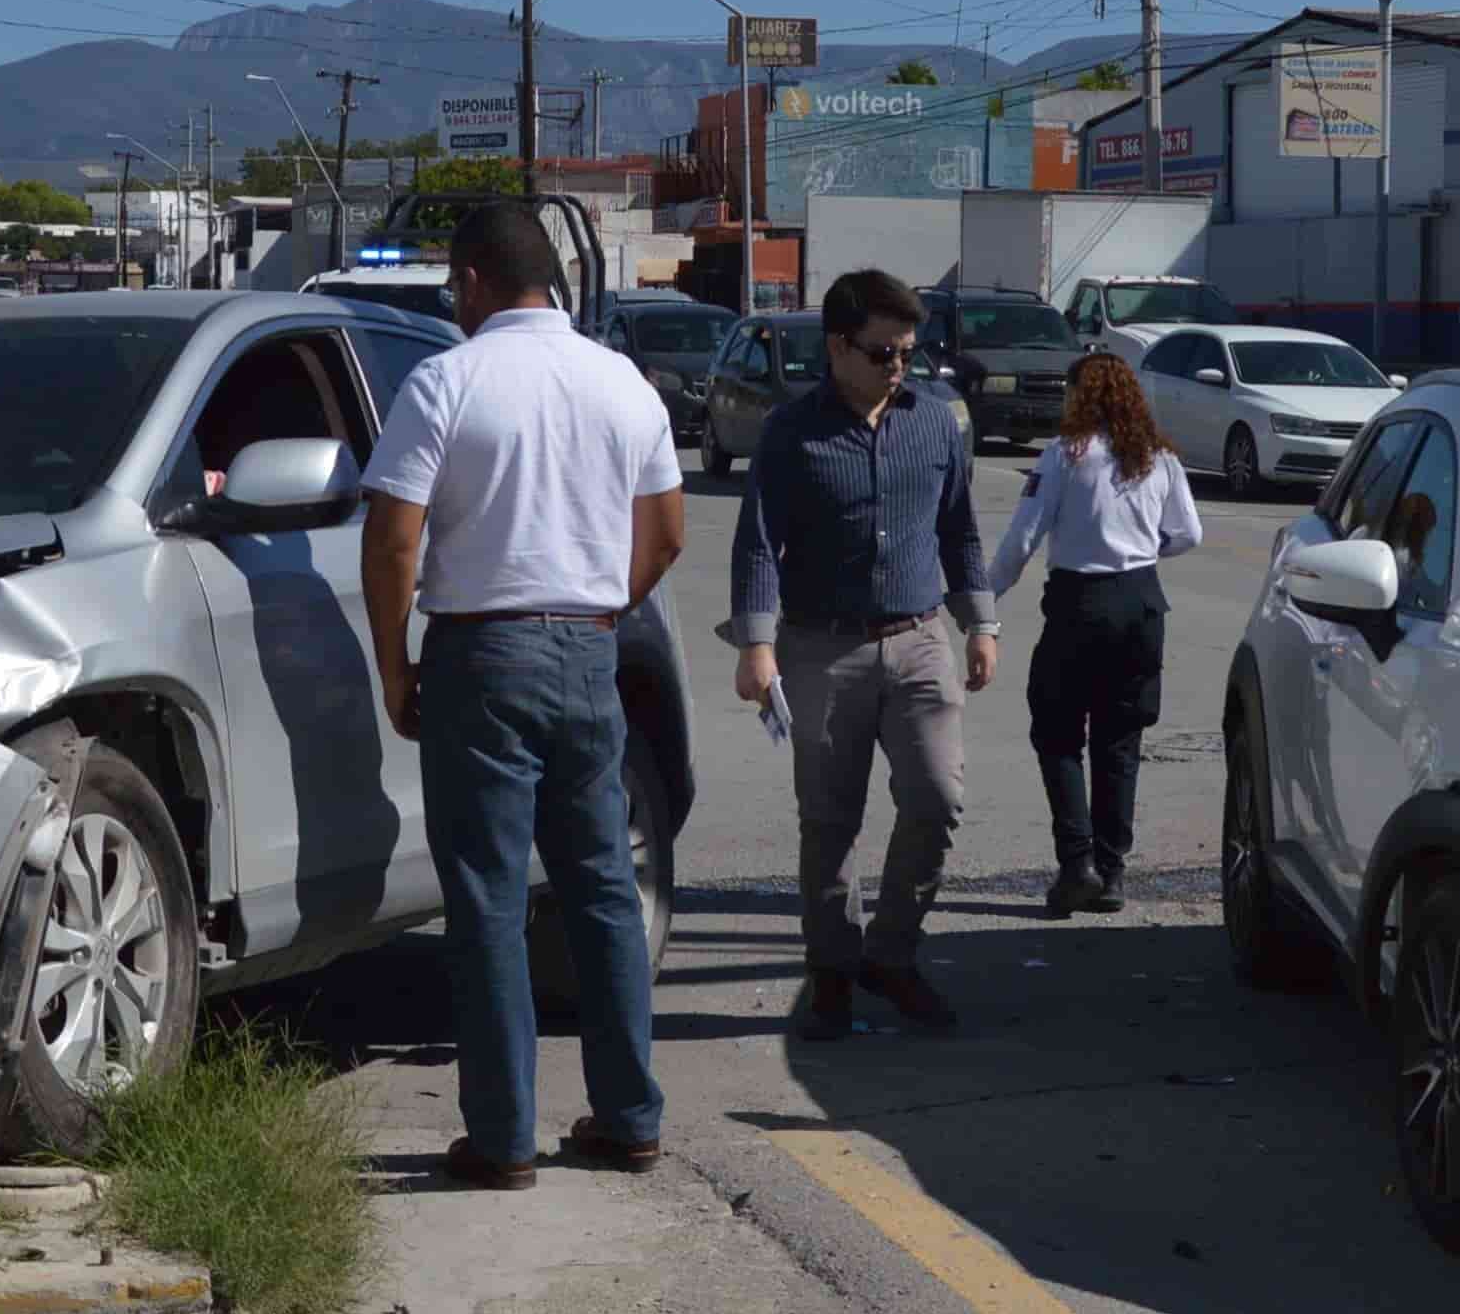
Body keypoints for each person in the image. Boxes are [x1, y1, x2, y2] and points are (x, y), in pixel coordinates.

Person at [359, 201, 687, 1191]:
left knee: (489, 898)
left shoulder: (445, 381)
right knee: (600, 892)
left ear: (468, 281)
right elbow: (668, 533)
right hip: (590, 655)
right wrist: (595, 609)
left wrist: (394, 665)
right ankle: (629, 1118)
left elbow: (394, 538)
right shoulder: (619, 380)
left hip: (482, 655)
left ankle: (502, 1137)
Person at [727, 269, 996, 1038]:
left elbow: (962, 532)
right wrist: (758, 645)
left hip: (919, 641)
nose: (898, 366)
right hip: (820, 649)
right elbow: (757, 545)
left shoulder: (936, 423)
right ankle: (834, 971)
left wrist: (981, 623)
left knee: (937, 800)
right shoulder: (791, 431)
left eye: (910, 352)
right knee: (830, 820)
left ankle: (893, 954)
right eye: (883, 352)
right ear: (838, 347)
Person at [984, 349, 1204, 916]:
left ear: (1081, 396)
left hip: (1079, 605)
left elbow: (1022, 539)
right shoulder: (1158, 458)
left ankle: (1075, 861)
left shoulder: (1064, 456)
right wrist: (1140, 551)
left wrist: (980, 600)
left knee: (1056, 732)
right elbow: (1188, 535)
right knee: (1120, 742)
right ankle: (1112, 872)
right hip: (1140, 604)